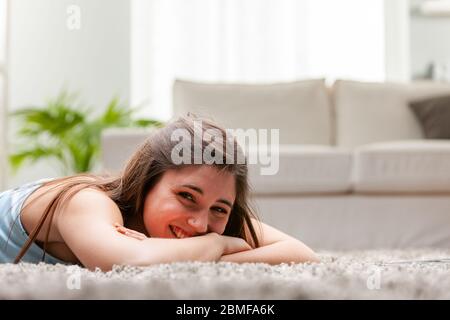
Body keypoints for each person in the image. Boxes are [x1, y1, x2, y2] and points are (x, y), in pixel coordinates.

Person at [0, 115, 319, 271]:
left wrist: (213, 258)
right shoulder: (87, 202)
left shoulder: (207, 215)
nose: (199, 224)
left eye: (220, 209)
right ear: (147, 182)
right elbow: (127, 263)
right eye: (187, 197)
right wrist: (217, 243)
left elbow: (303, 254)